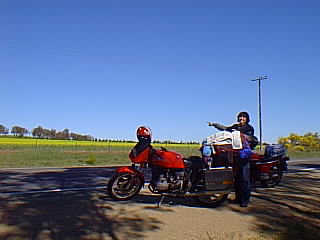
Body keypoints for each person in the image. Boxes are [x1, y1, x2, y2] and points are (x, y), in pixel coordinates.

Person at [208, 111, 254, 207]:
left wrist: (239, 135)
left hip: (244, 155)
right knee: (237, 178)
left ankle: (244, 200)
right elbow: (225, 129)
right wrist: (214, 124)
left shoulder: (249, 128)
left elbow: (248, 138)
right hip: (235, 155)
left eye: (244, 117)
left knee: (244, 178)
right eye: (240, 117)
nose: (242, 119)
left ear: (247, 119)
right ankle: (238, 198)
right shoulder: (235, 126)